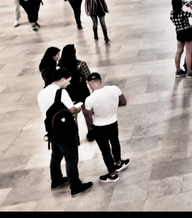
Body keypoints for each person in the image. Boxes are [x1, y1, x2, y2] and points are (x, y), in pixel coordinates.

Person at [38, 68, 93, 198]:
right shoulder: (61, 92)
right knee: (71, 158)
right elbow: (72, 110)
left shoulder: (42, 92)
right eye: (68, 81)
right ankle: (76, 187)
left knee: (56, 155)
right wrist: (78, 107)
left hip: (51, 130)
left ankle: (56, 180)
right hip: (65, 131)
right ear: (62, 79)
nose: (69, 84)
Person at [84, 72, 129, 183]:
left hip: (99, 127)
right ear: (100, 80)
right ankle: (118, 163)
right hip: (113, 122)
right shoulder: (114, 89)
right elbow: (123, 102)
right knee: (115, 142)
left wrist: (91, 129)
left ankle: (112, 174)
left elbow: (89, 117)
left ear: (89, 84)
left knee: (105, 151)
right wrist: (111, 106)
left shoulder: (90, 99)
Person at [58, 44, 95, 140]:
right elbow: (88, 76)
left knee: (74, 116)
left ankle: (76, 136)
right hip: (82, 91)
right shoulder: (81, 64)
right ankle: (91, 132)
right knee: (87, 113)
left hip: (69, 93)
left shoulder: (60, 67)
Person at [170, 0, 192, 78]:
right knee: (188, 53)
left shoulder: (172, 13)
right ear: (180, 4)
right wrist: (190, 6)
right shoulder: (183, 13)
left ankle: (178, 70)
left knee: (179, 51)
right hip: (187, 32)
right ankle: (189, 72)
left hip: (179, 32)